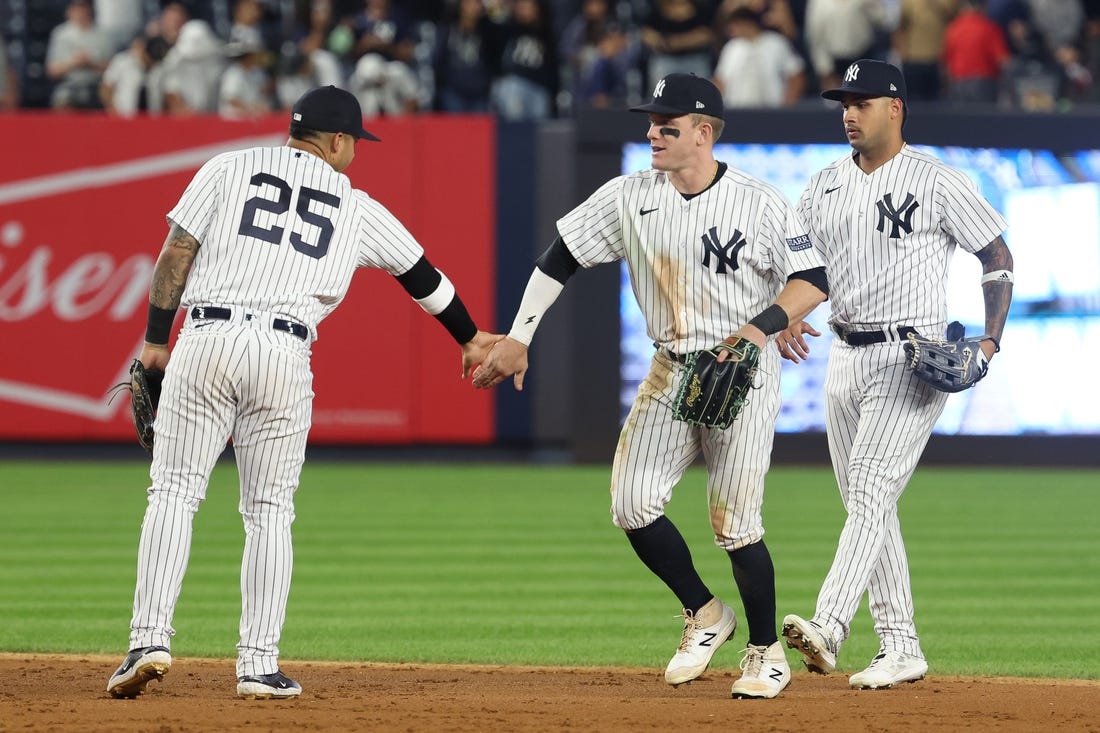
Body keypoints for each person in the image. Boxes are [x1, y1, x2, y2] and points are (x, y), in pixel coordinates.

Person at [106, 85, 502, 701]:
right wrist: (472, 337)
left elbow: (176, 251)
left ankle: (148, 641)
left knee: (175, 492)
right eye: (355, 143)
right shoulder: (356, 205)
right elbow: (425, 278)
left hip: (206, 336)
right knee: (268, 510)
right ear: (339, 141)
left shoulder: (227, 166)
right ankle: (258, 665)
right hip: (285, 351)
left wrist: (157, 341)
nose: (356, 153)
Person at [472, 73, 830, 699]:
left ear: (702, 132)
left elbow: (812, 278)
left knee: (735, 523)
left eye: (667, 125)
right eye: (651, 123)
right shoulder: (630, 195)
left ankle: (765, 651)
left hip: (740, 368)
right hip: (671, 365)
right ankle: (706, 613)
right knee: (631, 504)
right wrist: (519, 335)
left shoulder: (760, 201)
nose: (652, 133)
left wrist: (762, 326)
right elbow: (561, 255)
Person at [778, 59, 1014, 690]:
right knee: (866, 502)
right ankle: (902, 647)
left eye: (862, 101)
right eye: (843, 102)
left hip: (911, 357)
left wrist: (989, 340)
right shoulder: (823, 185)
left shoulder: (934, 179)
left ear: (896, 107)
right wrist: (784, 314)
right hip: (844, 354)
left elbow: (995, 252)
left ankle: (829, 625)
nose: (849, 112)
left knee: (873, 489)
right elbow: (806, 275)